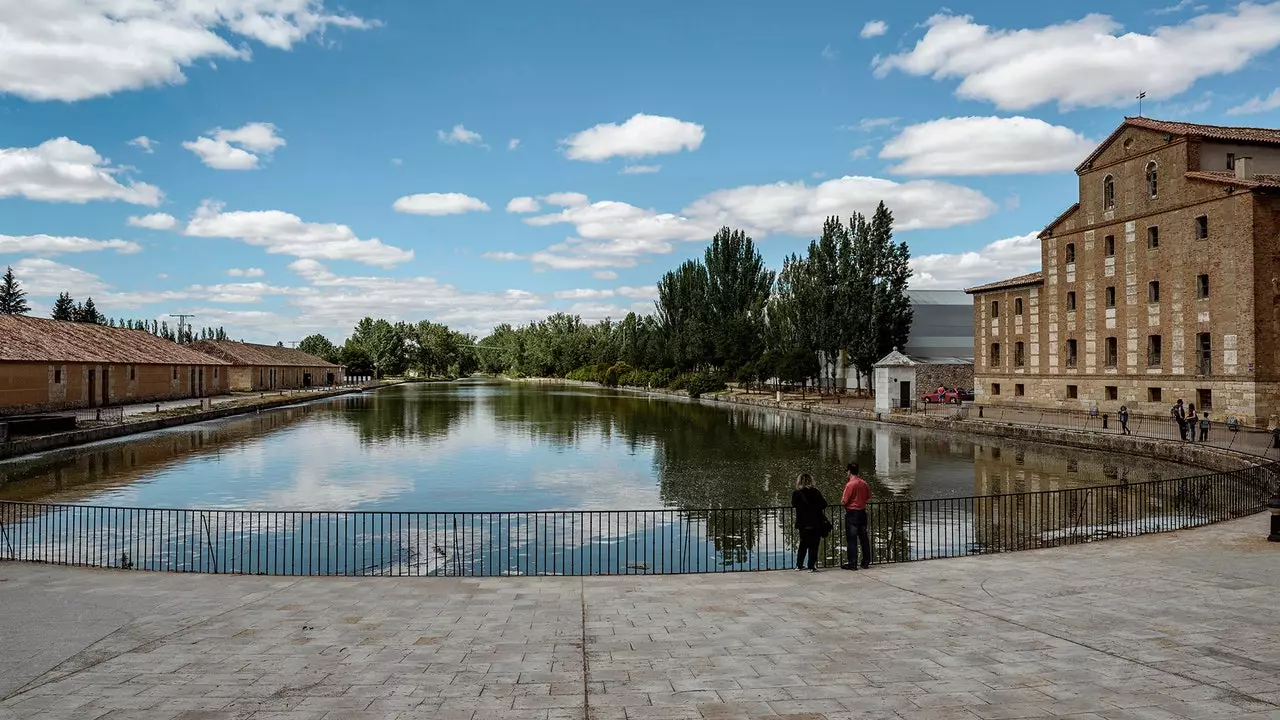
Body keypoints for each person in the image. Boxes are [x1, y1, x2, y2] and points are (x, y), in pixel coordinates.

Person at [791, 473, 828, 573]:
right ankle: (811, 566)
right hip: (815, 522)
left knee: (803, 544)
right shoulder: (815, 492)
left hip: (802, 523)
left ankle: (799, 565)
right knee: (814, 545)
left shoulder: (796, 493)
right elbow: (824, 504)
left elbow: (794, 504)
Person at [840, 462, 872, 570]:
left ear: (849, 472)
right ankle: (866, 561)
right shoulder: (864, 483)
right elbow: (868, 497)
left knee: (852, 539)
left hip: (852, 514)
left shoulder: (850, 485)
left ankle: (852, 563)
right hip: (862, 512)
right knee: (864, 539)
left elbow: (844, 501)